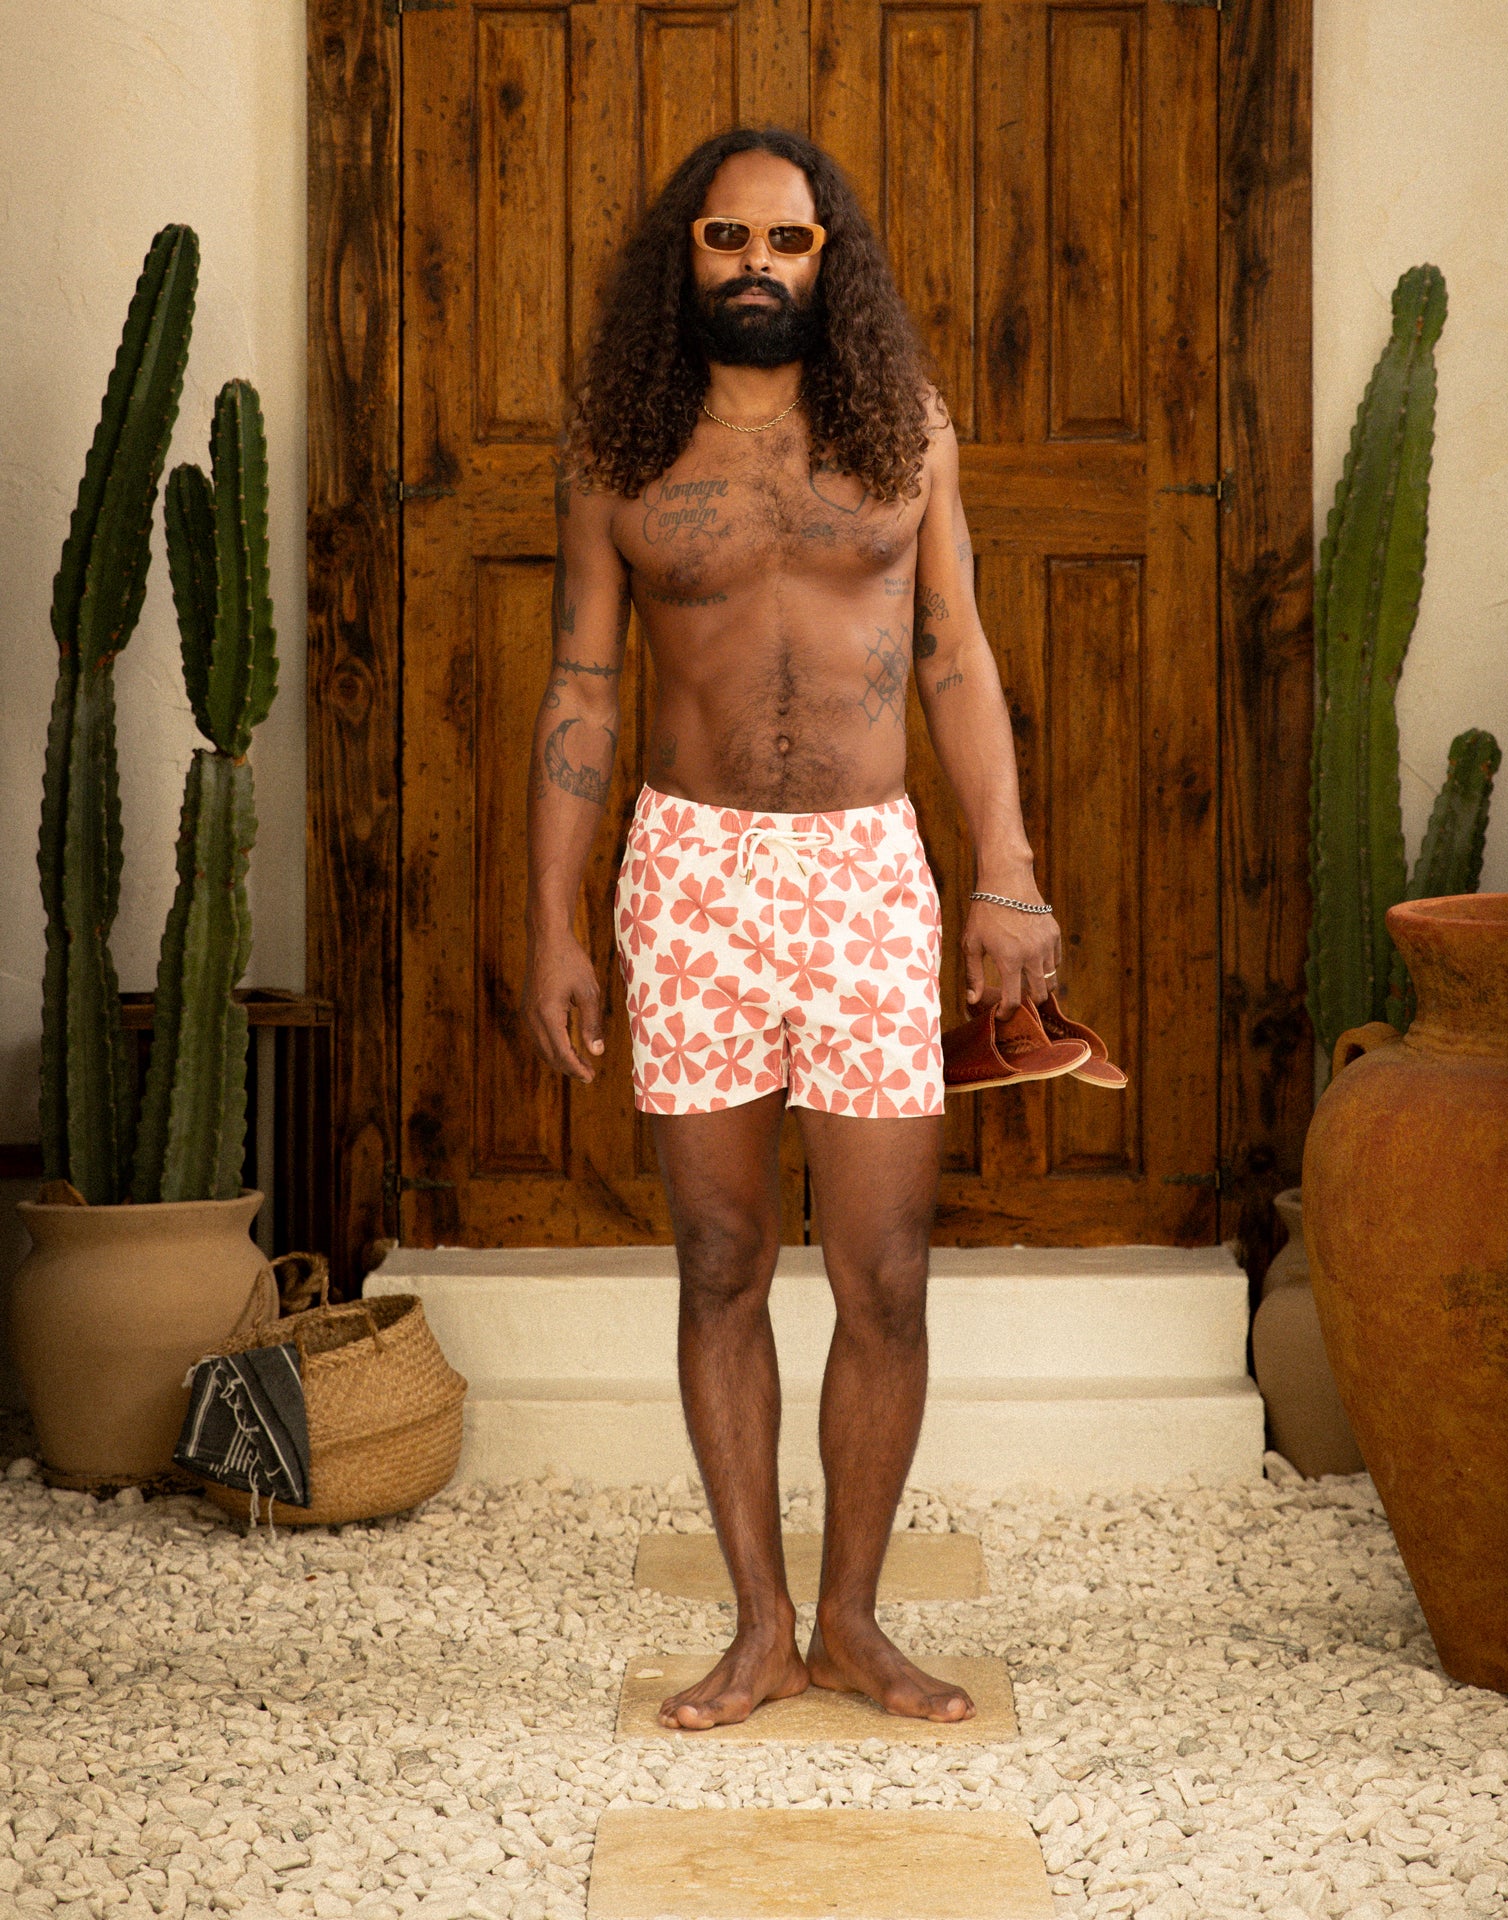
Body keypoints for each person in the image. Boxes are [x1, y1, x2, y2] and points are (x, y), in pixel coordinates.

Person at [522, 126, 1061, 1729]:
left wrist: (1007, 871)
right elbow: (582, 685)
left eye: (789, 241)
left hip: (867, 877)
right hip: (687, 875)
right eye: (726, 238)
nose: (757, 264)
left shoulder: (902, 434)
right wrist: (554, 919)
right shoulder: (619, 449)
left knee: (886, 1271)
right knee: (719, 1260)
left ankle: (857, 1620)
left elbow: (957, 655)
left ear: (833, 260)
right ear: (682, 258)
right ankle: (759, 1622)